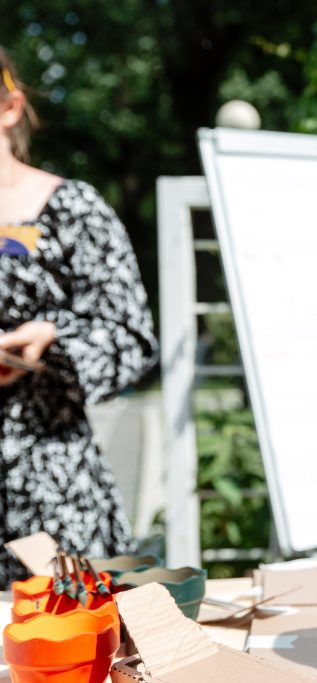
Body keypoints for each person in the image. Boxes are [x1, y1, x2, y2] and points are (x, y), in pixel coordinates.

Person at [0, 47, 157, 586]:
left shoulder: (74, 210)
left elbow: (130, 338)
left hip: (51, 493)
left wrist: (51, 339)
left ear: (10, 108)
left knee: (66, 652)